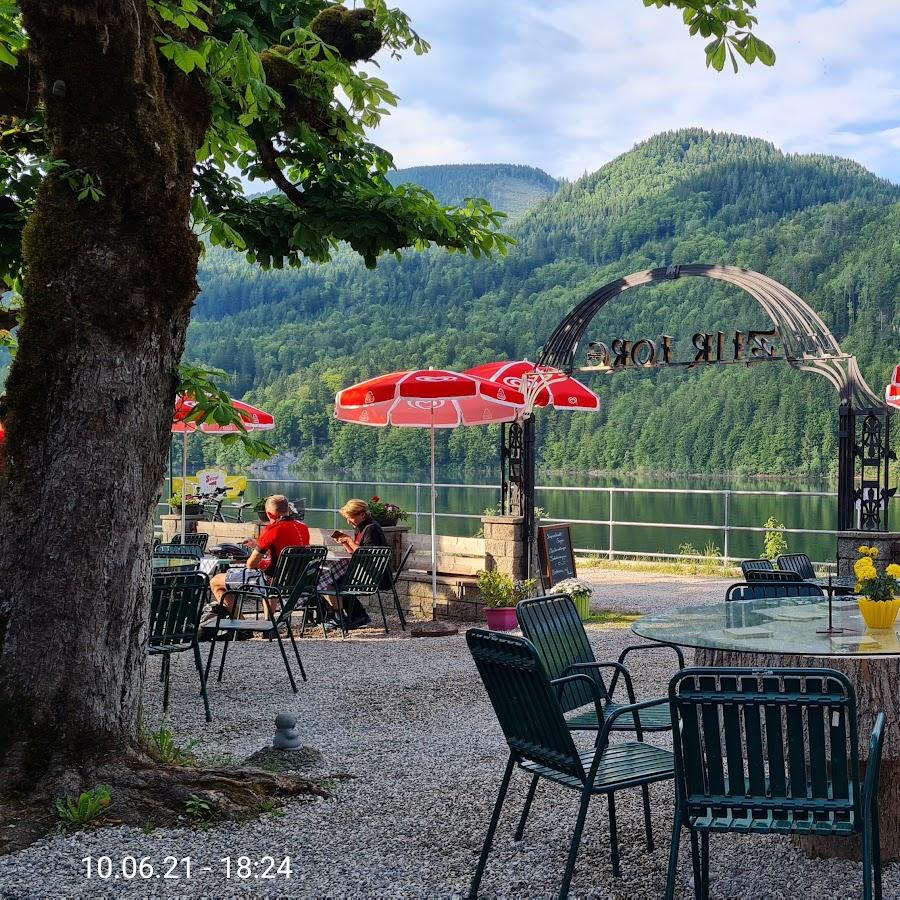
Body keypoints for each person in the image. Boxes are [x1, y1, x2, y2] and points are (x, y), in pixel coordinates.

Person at [209, 494, 309, 615]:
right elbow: (283, 552)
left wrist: (257, 557)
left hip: (270, 583)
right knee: (272, 579)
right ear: (288, 509)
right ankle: (269, 627)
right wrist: (257, 545)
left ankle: (240, 625)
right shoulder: (303, 527)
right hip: (295, 581)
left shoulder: (272, 530)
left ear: (270, 514)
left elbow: (251, 564)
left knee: (216, 581)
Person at [319, 498, 391, 630]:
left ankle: (348, 617)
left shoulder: (371, 529)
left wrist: (349, 539)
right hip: (367, 572)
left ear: (362, 514)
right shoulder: (361, 528)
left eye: (351, 517)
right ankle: (350, 616)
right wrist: (346, 543)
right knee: (335, 581)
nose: (348, 521)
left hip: (376, 576)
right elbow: (356, 553)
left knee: (334, 583)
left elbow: (365, 554)